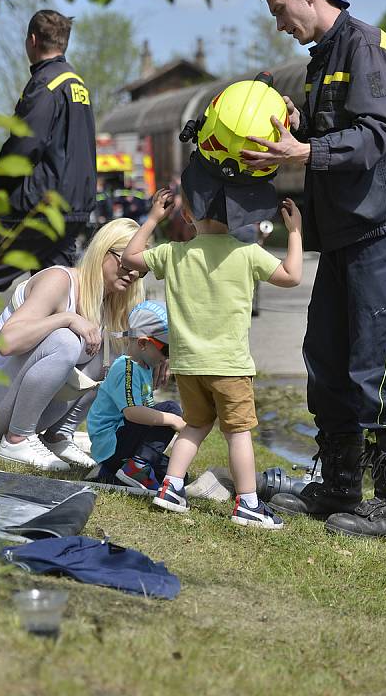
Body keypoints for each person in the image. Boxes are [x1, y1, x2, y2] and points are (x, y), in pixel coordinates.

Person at [241, 0, 386, 538]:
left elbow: (374, 135)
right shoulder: (323, 59)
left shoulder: (367, 45)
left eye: (279, 9)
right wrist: (300, 126)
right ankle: (340, 485)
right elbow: (341, 129)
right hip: (345, 232)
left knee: (377, 361)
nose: (279, 24)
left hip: (382, 228)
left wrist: (304, 151)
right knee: (326, 359)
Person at [121, 180, 303, 530]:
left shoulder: (173, 252)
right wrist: (294, 232)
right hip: (229, 366)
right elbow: (292, 275)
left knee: (196, 425)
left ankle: (171, 487)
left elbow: (130, 257)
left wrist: (153, 219)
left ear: (187, 215)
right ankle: (248, 504)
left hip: (188, 366)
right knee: (239, 434)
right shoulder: (247, 252)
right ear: (238, 217)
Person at [0, 219, 148, 471]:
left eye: (140, 269)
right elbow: (7, 342)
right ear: (103, 251)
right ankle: (17, 439)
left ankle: (58, 435)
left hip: (13, 404)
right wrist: (66, 318)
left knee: (112, 357)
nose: (132, 273)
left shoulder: (107, 302)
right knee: (65, 339)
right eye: (126, 262)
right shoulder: (59, 280)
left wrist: (154, 357)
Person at [0, 10, 96, 348]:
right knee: (56, 295)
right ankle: (60, 376)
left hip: (34, 211)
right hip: (71, 212)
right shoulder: (76, 85)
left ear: (32, 41)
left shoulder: (46, 84)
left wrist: (0, 199)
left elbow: (24, 145)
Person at [85, 299, 186, 491]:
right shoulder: (126, 368)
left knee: (172, 472)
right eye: (166, 350)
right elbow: (132, 413)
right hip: (112, 444)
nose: (167, 357)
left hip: (123, 441)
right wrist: (172, 419)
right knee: (170, 409)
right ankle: (137, 466)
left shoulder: (144, 366)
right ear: (142, 343)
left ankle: (111, 474)